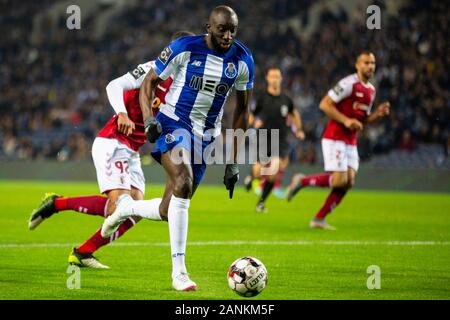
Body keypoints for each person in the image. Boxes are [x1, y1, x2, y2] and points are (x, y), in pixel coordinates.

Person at [101, 6, 254, 291]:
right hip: (173, 124)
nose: (228, 36)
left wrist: (233, 162)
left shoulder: (243, 60)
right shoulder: (184, 47)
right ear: (208, 27)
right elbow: (150, 81)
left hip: (206, 137)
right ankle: (179, 273)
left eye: (233, 30)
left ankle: (125, 208)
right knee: (183, 182)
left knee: (167, 209)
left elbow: (243, 112)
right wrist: (149, 121)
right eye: (222, 29)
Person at [28, 31, 195, 268]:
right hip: (114, 142)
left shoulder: (185, 87)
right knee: (119, 207)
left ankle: (82, 250)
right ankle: (59, 208)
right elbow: (114, 85)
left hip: (133, 150)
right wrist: (122, 113)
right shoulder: (152, 69)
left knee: (134, 212)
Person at [286, 52, 391, 230]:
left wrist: (377, 115)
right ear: (357, 65)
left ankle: (318, 219)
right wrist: (345, 120)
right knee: (338, 180)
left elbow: (361, 122)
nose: (370, 66)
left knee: (348, 182)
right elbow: (324, 104)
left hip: (350, 140)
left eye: (373, 63)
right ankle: (302, 181)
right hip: (335, 137)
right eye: (366, 62)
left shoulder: (371, 91)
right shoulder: (348, 84)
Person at [243, 66, 304, 212]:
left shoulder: (286, 99)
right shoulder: (261, 97)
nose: (275, 79)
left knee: (274, 171)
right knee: (259, 171)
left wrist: (299, 130)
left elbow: (294, 114)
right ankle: (252, 177)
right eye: (272, 76)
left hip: (280, 140)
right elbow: (251, 114)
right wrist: (253, 123)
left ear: (281, 79)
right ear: (267, 78)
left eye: (277, 76)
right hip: (263, 138)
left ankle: (261, 203)